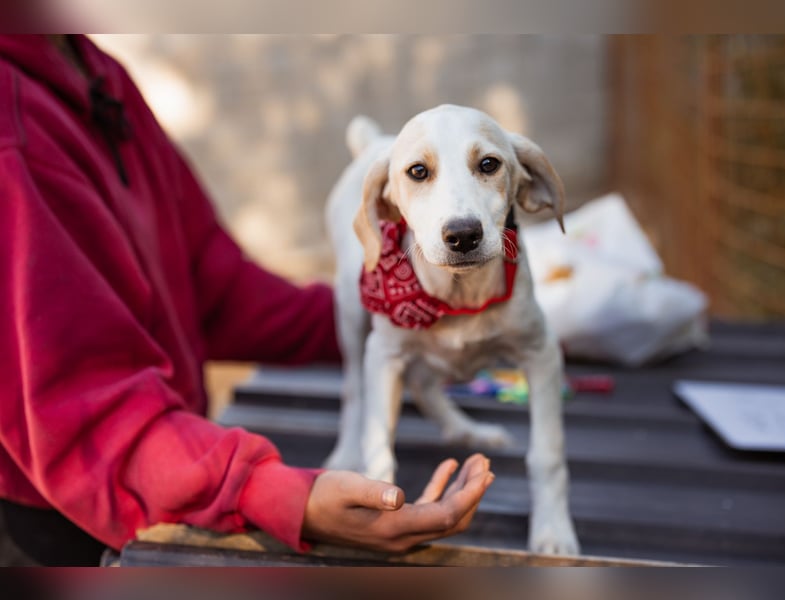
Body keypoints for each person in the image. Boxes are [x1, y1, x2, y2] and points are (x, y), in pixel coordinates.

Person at [0, 34, 494, 566]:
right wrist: (276, 494)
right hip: (57, 526)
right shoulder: (13, 131)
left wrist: (401, 310)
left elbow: (216, 288)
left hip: (170, 476)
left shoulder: (92, 69)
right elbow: (86, 416)